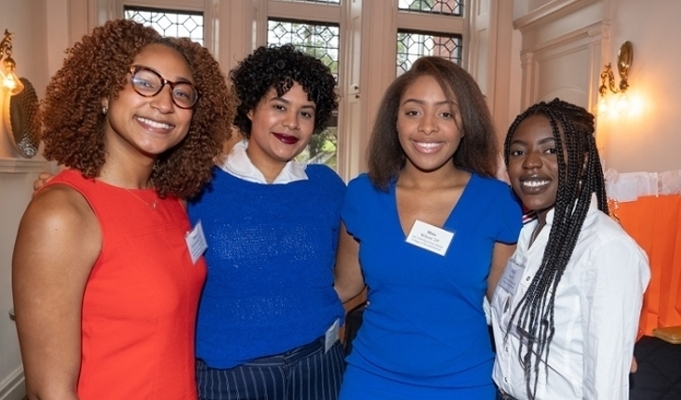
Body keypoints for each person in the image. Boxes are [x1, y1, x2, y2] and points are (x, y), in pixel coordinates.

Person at [12, 19, 233, 400]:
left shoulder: (172, 201)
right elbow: (49, 392)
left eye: (182, 93)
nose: (164, 103)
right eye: (144, 81)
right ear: (104, 93)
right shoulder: (62, 214)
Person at [333, 56, 523, 399]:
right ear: (395, 121)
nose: (428, 127)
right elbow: (344, 288)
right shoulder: (363, 195)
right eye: (413, 111)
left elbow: (509, 305)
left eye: (446, 113)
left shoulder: (496, 201)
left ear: (466, 125)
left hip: (463, 383)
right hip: (371, 380)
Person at [188, 44, 346, 400]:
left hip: (318, 369)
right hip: (229, 377)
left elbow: (357, 269)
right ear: (249, 107)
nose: (292, 123)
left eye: (305, 113)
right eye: (279, 106)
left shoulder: (327, 187)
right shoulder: (198, 187)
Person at [491, 99, 650, 399]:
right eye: (518, 151)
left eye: (550, 149)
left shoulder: (605, 248)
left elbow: (606, 386)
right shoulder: (527, 237)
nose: (530, 162)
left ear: (584, 161)